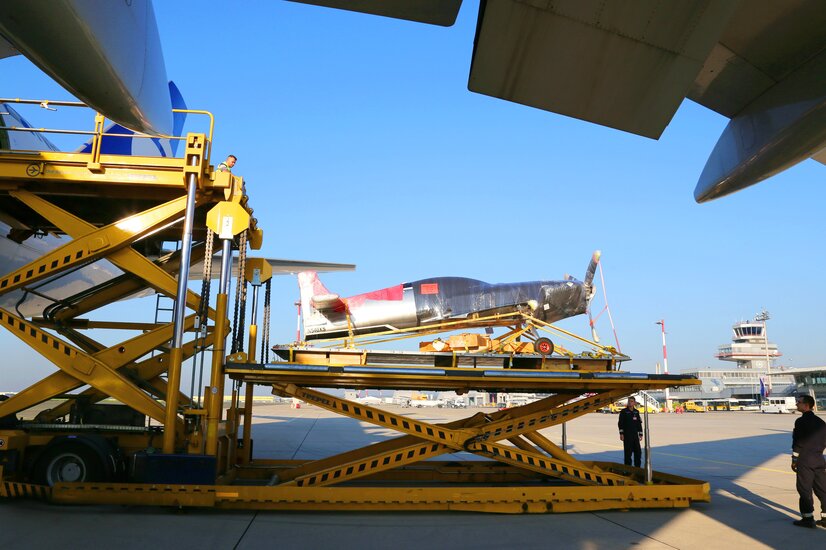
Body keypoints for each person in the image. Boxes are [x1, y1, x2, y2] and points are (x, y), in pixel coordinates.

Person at [791, 394, 826, 528]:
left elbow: (798, 442)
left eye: (798, 402)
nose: (796, 404)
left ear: (806, 406)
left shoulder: (800, 422)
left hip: (805, 460)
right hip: (819, 459)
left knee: (805, 490)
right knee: (823, 489)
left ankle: (807, 518)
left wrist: (794, 459)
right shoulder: (821, 422)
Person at [618, 396, 643, 467]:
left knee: (638, 452)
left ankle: (637, 468)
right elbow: (620, 423)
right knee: (628, 453)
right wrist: (621, 434)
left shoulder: (636, 412)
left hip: (635, 436)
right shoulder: (624, 412)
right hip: (627, 435)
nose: (630, 402)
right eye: (629, 401)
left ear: (634, 403)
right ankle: (628, 469)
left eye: (631, 401)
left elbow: (639, 423)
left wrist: (640, 434)